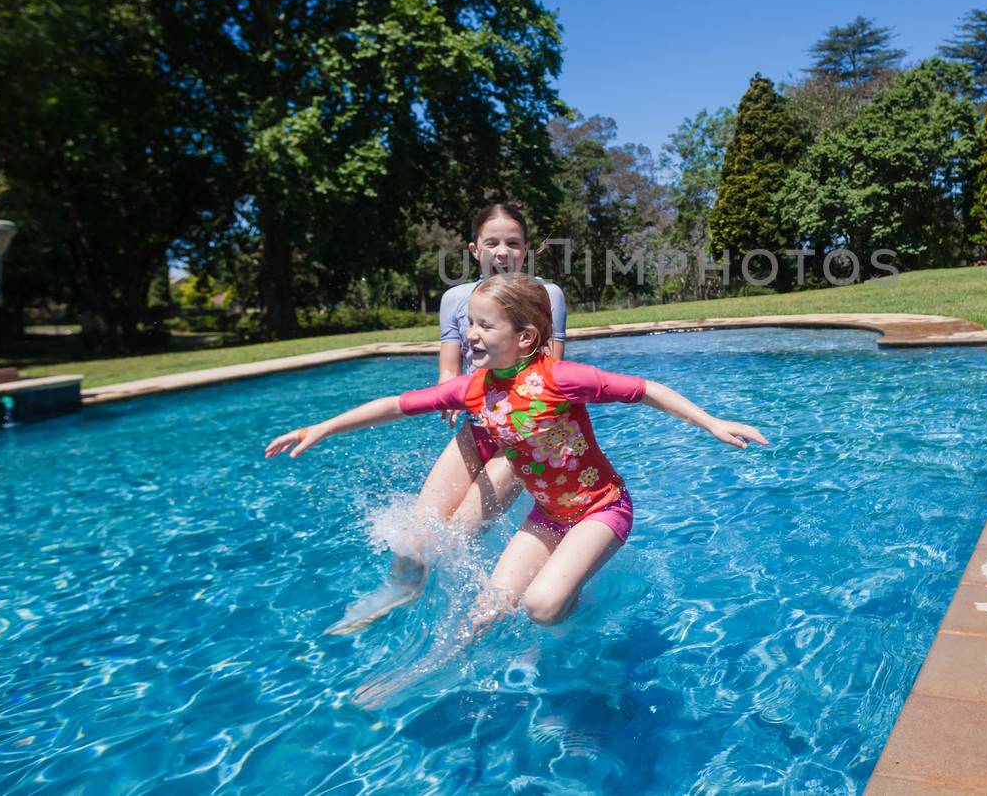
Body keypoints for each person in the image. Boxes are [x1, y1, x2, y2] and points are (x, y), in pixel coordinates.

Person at [265, 272, 767, 644]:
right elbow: (398, 405)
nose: (471, 335)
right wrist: (325, 427)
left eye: (485, 325)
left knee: (541, 606)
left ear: (524, 337)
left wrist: (711, 423)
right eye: (469, 325)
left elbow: (644, 389)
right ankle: (436, 670)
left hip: (600, 509)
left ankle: (571, 629)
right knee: (486, 612)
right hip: (549, 516)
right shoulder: (474, 389)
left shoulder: (558, 379)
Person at [323, 203, 569, 634]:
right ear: (475, 249)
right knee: (417, 533)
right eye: (492, 242)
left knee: (458, 533)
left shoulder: (544, 295)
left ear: (526, 250)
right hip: (478, 427)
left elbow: (553, 374)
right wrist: (450, 396)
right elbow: (448, 374)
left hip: (525, 439)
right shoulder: (456, 300)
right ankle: (401, 590)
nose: (502, 251)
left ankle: (466, 614)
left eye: (513, 243)